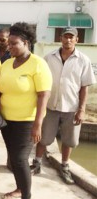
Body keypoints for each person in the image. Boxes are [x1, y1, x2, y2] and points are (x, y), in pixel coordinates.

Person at [0, 22, 52, 199]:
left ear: (26, 43)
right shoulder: (6, 63)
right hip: (7, 120)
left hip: (27, 121)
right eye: (9, 44)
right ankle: (20, 188)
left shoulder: (38, 64)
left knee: (20, 159)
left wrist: (38, 123)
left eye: (14, 43)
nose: (9, 47)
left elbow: (43, 94)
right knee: (13, 158)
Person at [30, 27, 96, 184]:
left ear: (76, 40)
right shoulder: (49, 58)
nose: (68, 40)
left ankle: (65, 166)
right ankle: (37, 163)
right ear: (61, 38)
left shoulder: (83, 60)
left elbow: (84, 87)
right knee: (43, 138)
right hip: (50, 106)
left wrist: (81, 109)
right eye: (65, 37)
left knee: (69, 140)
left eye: (71, 37)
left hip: (71, 108)